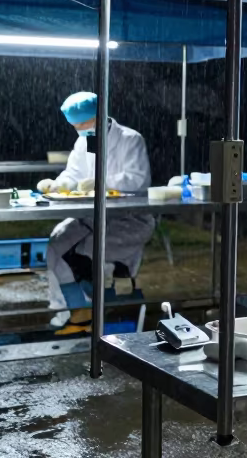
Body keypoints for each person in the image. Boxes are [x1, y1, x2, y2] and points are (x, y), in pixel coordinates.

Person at [37, 92, 152, 335]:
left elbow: (137, 180)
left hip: (128, 219)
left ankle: (95, 313)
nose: (78, 129)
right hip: (91, 216)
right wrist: (58, 184)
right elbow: (74, 175)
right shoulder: (85, 141)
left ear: (98, 116)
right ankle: (75, 311)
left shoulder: (130, 139)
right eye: (74, 126)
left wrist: (102, 181)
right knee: (55, 247)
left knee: (84, 254)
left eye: (82, 124)